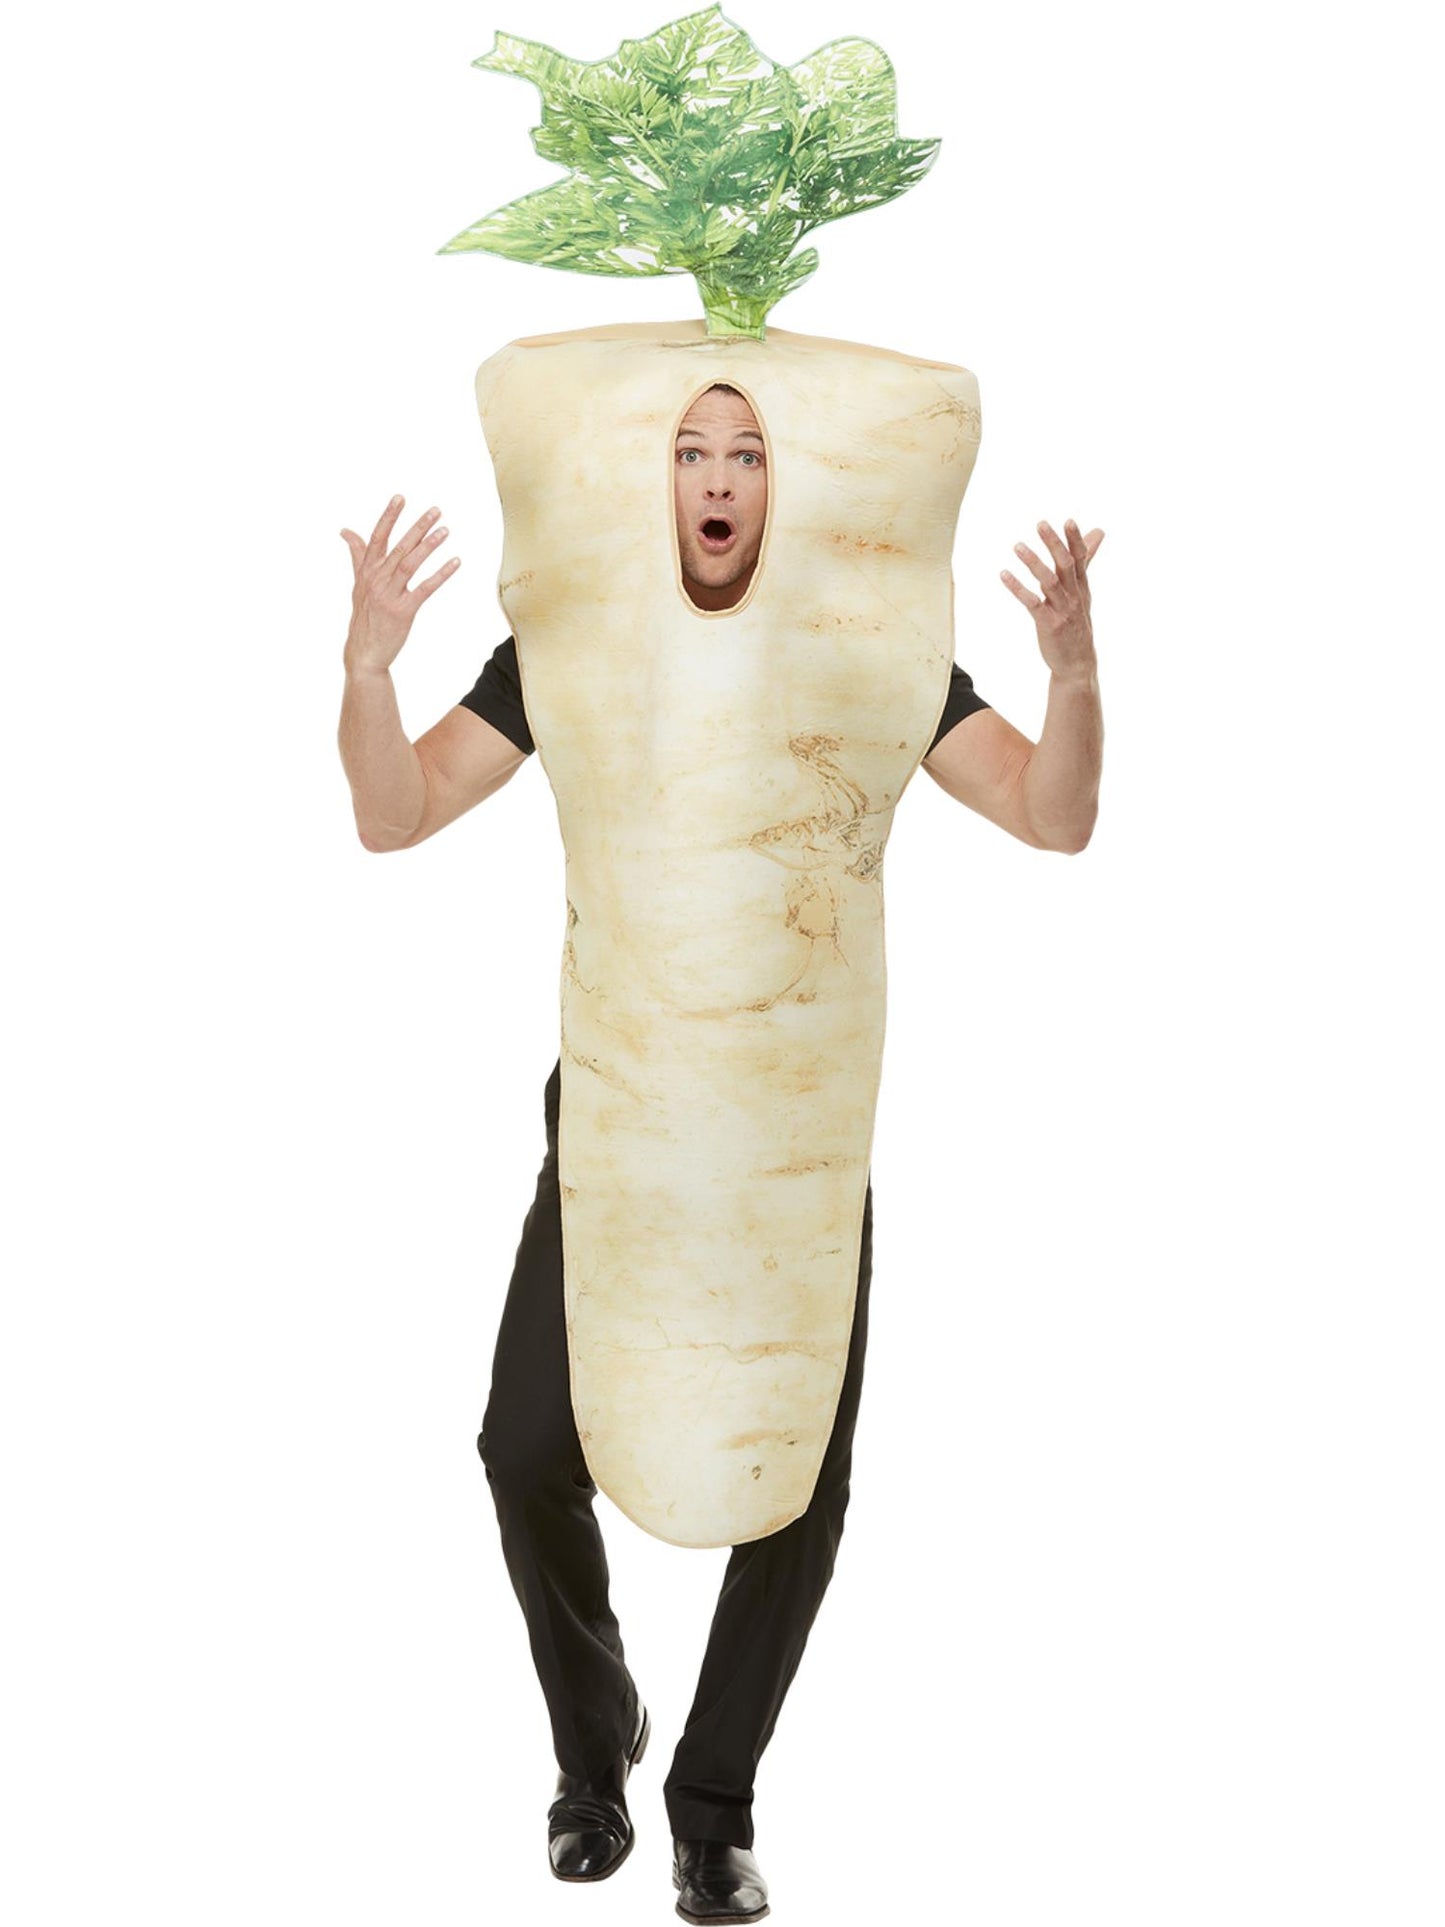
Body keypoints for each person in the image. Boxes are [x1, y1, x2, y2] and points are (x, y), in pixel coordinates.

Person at [337, 385, 1104, 1921]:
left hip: (791, 1145)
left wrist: (1073, 674)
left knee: (796, 1480)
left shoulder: (870, 651)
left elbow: (1050, 813)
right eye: (690, 449)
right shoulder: (568, 640)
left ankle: (712, 1807)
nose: (719, 475)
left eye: (747, 451)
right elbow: (396, 810)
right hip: (616, 1116)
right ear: (655, 477)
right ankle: (592, 1749)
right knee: (525, 1448)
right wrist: (367, 666)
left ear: (782, 484)